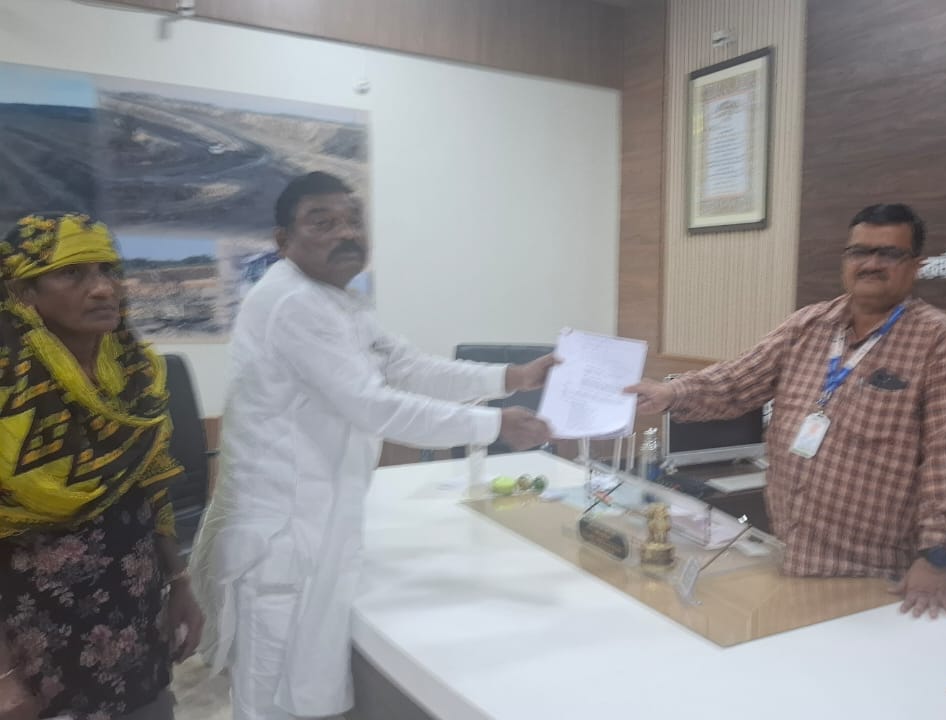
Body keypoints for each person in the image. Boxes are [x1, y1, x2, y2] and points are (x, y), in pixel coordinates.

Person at [190, 172, 555, 720]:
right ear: (284, 240)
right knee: (270, 699)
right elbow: (375, 406)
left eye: (353, 220)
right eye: (323, 222)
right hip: (283, 537)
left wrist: (511, 376)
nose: (346, 233)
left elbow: (409, 366)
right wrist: (494, 425)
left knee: (305, 692)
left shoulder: (340, 302)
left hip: (319, 523)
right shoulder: (292, 302)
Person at [627, 203, 946, 619]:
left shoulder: (939, 340)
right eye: (860, 252)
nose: (871, 264)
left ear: (916, 265)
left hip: (874, 572)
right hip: (790, 552)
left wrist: (935, 557)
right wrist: (670, 394)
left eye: (888, 253)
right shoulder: (809, 325)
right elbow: (737, 380)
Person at [0, 213, 204, 720]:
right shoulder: (8, 396)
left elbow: (151, 488)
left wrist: (180, 582)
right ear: (23, 291)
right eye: (73, 273)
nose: (102, 288)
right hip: (35, 643)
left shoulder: (138, 375)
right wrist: (3, 677)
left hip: (136, 618)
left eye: (109, 270)